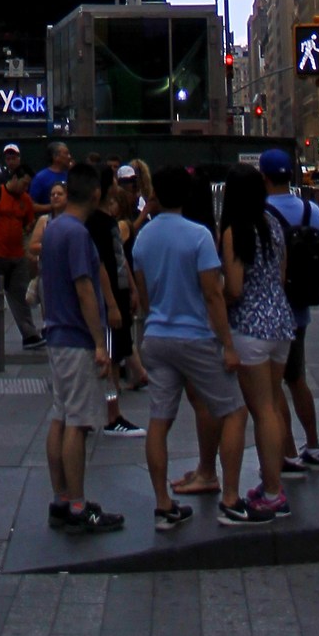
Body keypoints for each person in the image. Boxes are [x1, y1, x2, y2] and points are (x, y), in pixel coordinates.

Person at [129, 167, 246, 532]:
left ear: (156, 195)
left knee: (159, 421)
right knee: (234, 411)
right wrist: (228, 345)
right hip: (195, 336)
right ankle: (231, 499)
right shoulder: (199, 236)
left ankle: (163, 505)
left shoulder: (143, 237)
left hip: (157, 336)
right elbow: (212, 294)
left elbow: (143, 295)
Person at [39, 165, 124, 536]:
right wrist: (99, 342)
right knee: (78, 421)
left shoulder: (55, 228)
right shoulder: (76, 233)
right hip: (76, 337)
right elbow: (84, 287)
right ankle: (77, 504)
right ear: (95, 194)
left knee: (60, 416)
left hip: (57, 333)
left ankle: (61, 499)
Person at [218, 169, 295, 523]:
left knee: (260, 409)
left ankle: (273, 492)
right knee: (273, 405)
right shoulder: (273, 225)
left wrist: (215, 301)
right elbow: (280, 274)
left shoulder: (234, 230)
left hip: (249, 327)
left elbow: (234, 288)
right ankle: (271, 484)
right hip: (280, 321)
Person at [260, 147, 319, 477]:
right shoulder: (312, 211)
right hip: (300, 308)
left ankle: (287, 453)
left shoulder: (261, 214)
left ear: (264, 177)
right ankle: (313, 446)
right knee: (297, 379)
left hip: (271, 310)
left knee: (273, 388)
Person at [87, 171, 142, 435]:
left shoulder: (107, 221)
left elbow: (119, 258)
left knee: (116, 354)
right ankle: (111, 414)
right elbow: (101, 265)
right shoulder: (96, 223)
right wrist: (110, 303)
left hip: (118, 293)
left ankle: (109, 411)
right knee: (108, 357)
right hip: (109, 299)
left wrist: (131, 287)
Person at [0, 161, 43, 350]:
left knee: (20, 295)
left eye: (28, 185)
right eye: (24, 183)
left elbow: (28, 223)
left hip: (17, 255)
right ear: (14, 178)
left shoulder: (25, 200)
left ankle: (29, 334)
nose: (25, 188)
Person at [29, 142, 73, 207]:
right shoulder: (40, 178)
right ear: (55, 157)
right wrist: (55, 206)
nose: (69, 157)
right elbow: (31, 206)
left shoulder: (71, 176)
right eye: (66, 154)